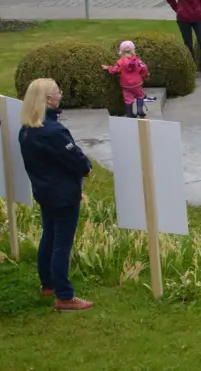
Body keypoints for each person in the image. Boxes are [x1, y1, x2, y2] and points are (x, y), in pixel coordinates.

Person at [18, 78, 93, 311]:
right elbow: (77, 161)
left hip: (44, 191)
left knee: (49, 236)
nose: (60, 94)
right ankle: (64, 296)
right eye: (57, 92)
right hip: (63, 194)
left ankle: (47, 284)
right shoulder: (53, 131)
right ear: (49, 100)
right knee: (62, 243)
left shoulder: (27, 130)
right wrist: (85, 168)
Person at [103, 40, 151, 118]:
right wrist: (146, 75)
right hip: (137, 82)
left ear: (121, 51)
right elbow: (144, 68)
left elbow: (115, 70)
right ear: (133, 50)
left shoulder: (120, 61)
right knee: (140, 95)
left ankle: (130, 114)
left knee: (128, 98)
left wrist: (108, 67)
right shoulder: (137, 60)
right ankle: (139, 110)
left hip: (126, 84)